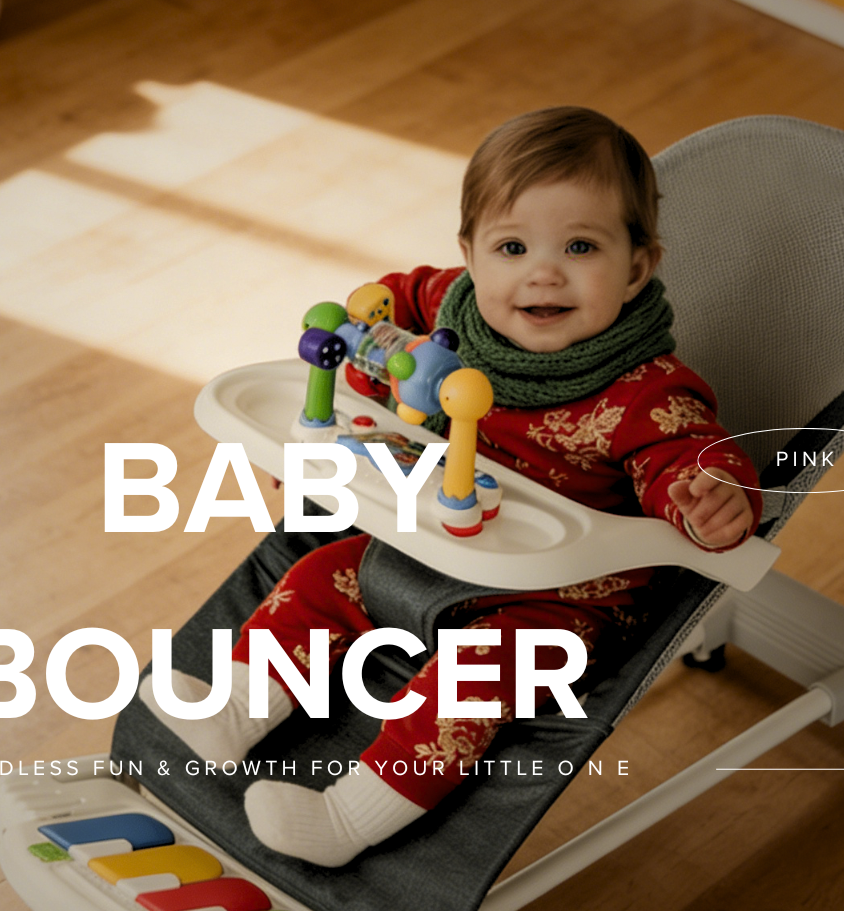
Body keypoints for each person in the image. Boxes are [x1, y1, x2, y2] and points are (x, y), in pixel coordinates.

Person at [141, 106, 762, 867]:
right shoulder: (448, 310)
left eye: (580, 246)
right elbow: (385, 310)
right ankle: (237, 709)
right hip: (424, 544)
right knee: (316, 578)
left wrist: (711, 496)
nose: (542, 271)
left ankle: (347, 819)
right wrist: (354, 371)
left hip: (554, 601)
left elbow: (690, 457)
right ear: (469, 256)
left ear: (637, 267)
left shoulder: (645, 393)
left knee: (474, 683)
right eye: (511, 246)